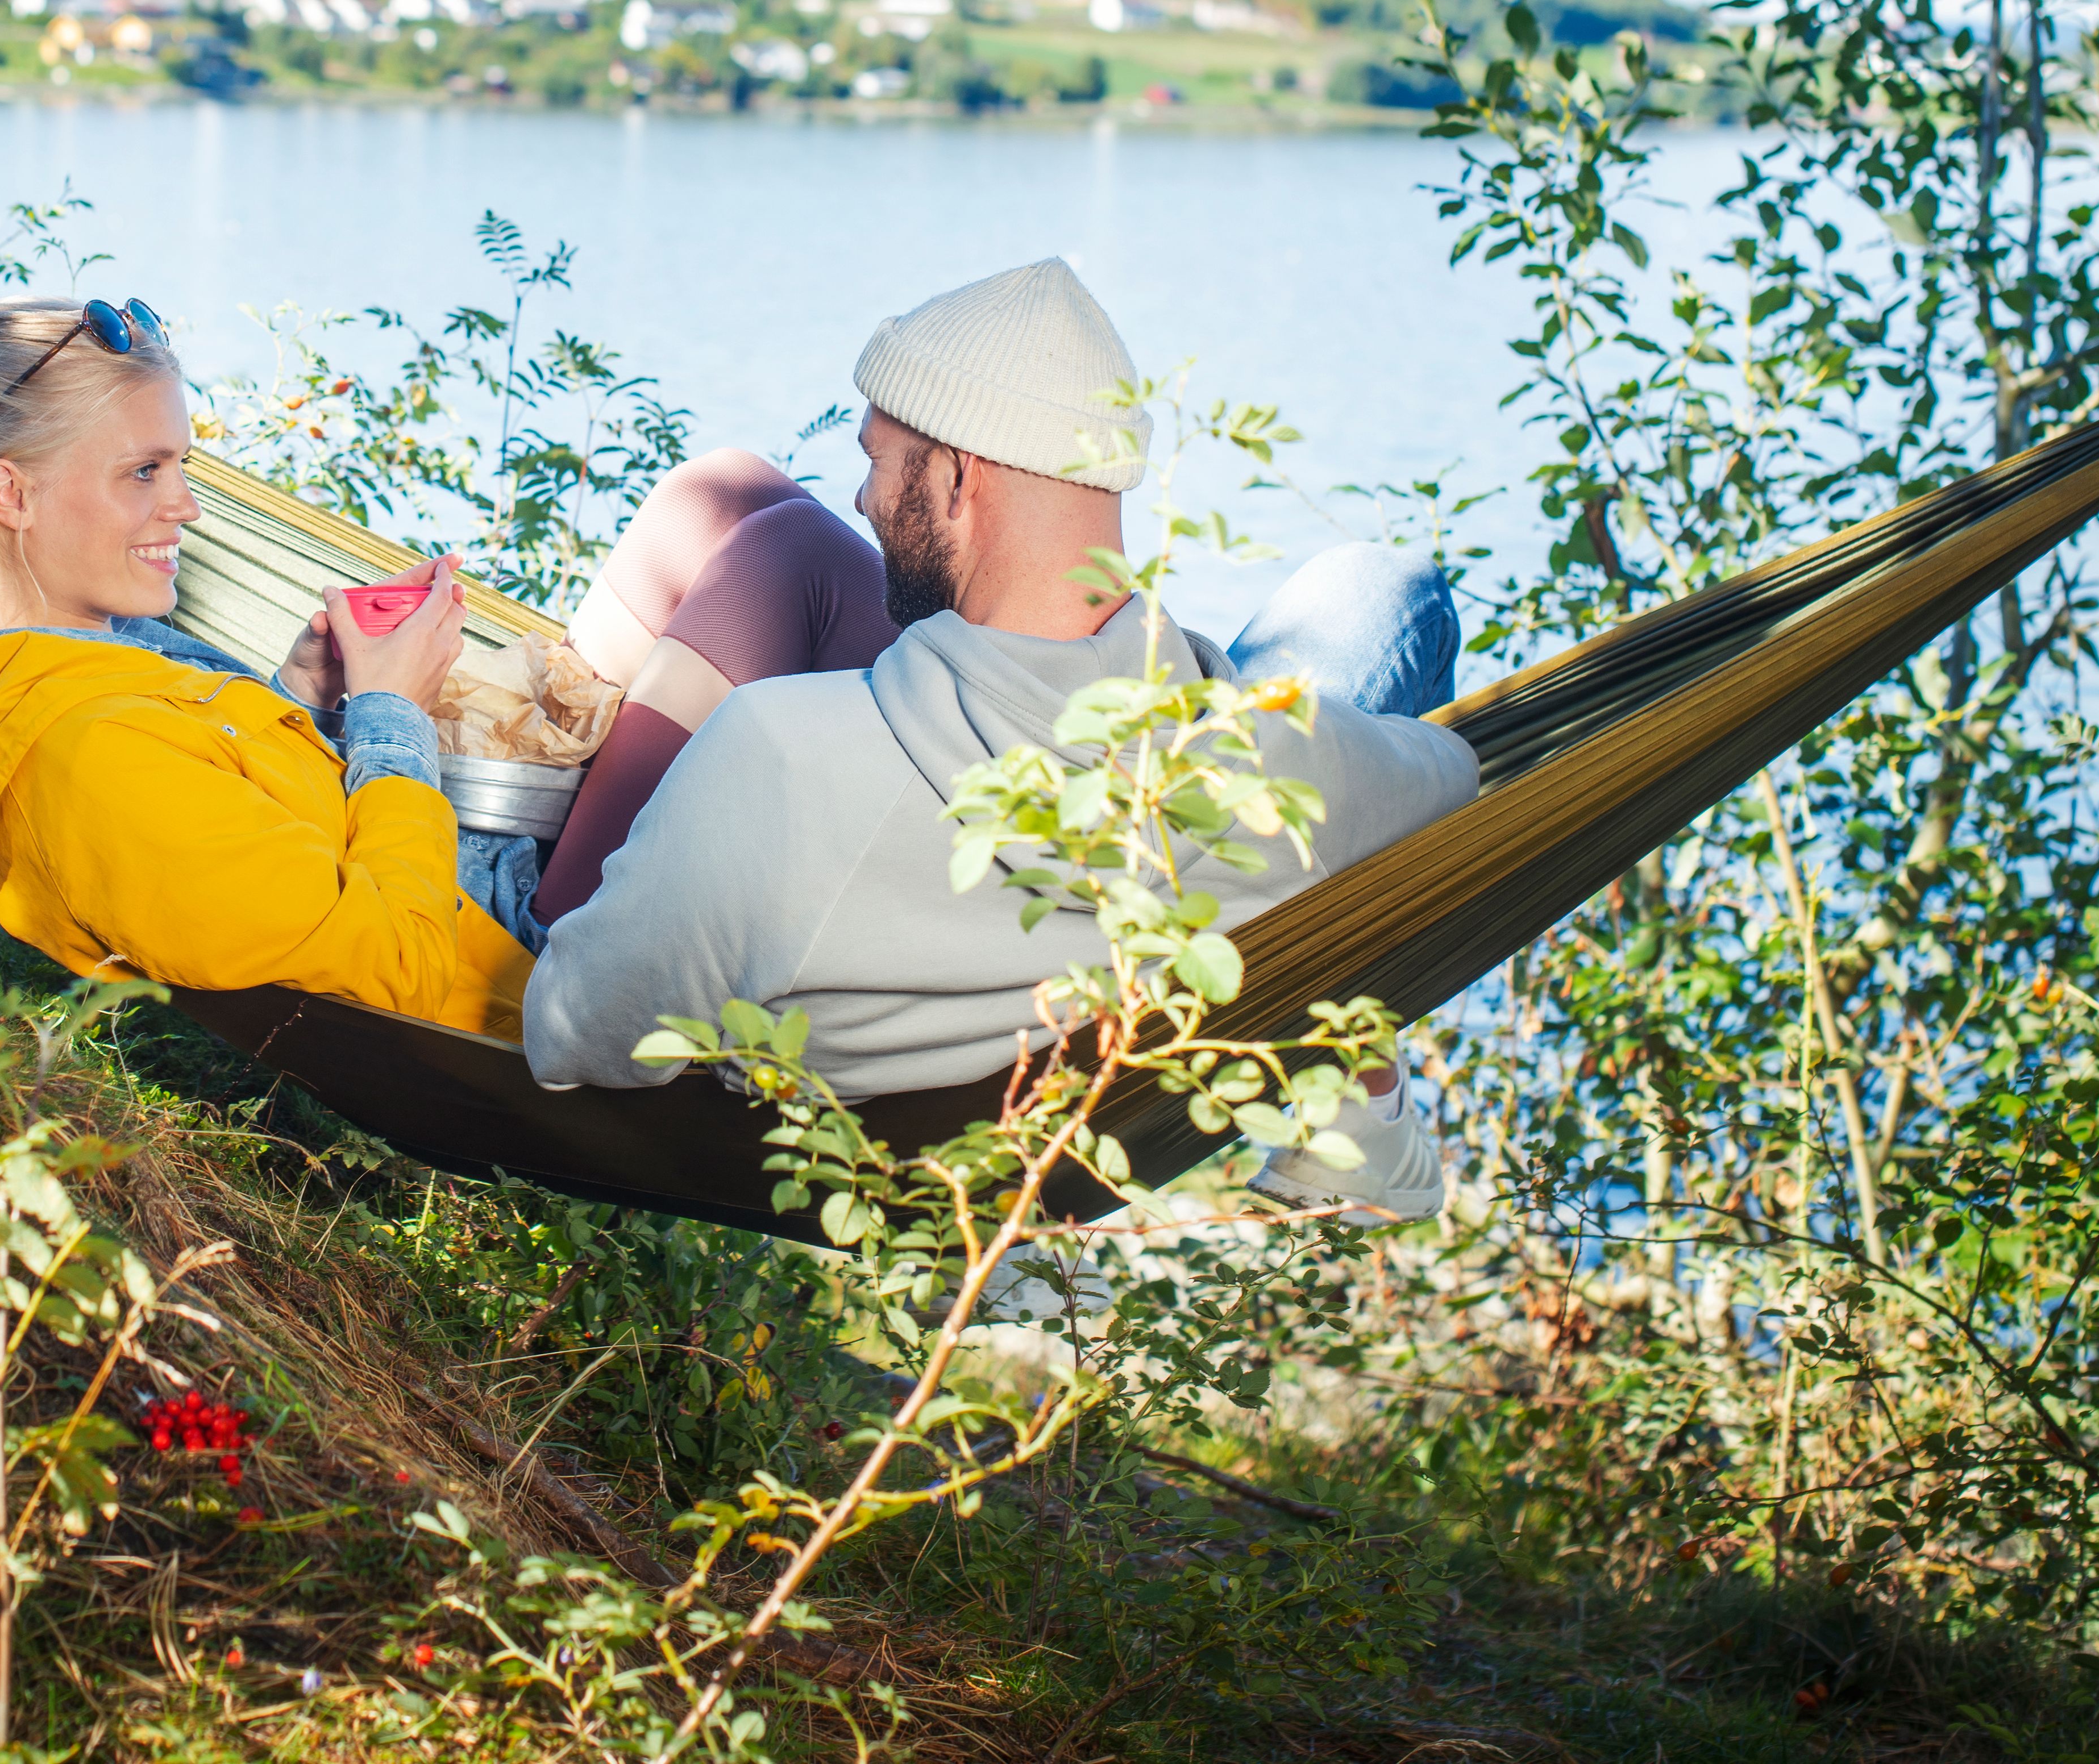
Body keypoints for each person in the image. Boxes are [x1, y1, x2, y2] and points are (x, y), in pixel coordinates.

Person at [522, 257, 1478, 1216]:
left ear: (956, 477)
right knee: (1381, 588)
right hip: (1158, 908)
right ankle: (1368, 1106)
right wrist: (1223, 708)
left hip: (905, 1137)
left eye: (877, 461)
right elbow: (1458, 781)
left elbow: (572, 1032)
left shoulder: (780, 762)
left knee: (760, 528)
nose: (859, 498)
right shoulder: (1280, 774)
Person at [0, 295, 542, 1036]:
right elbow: (401, 966)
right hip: (523, 963)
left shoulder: (76, 662)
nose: (188, 507)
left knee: (679, 532)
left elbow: (237, 822)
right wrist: (392, 716)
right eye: (144, 471)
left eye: (182, 466)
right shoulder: (86, 763)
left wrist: (306, 697)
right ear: (11, 493)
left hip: (494, 875)